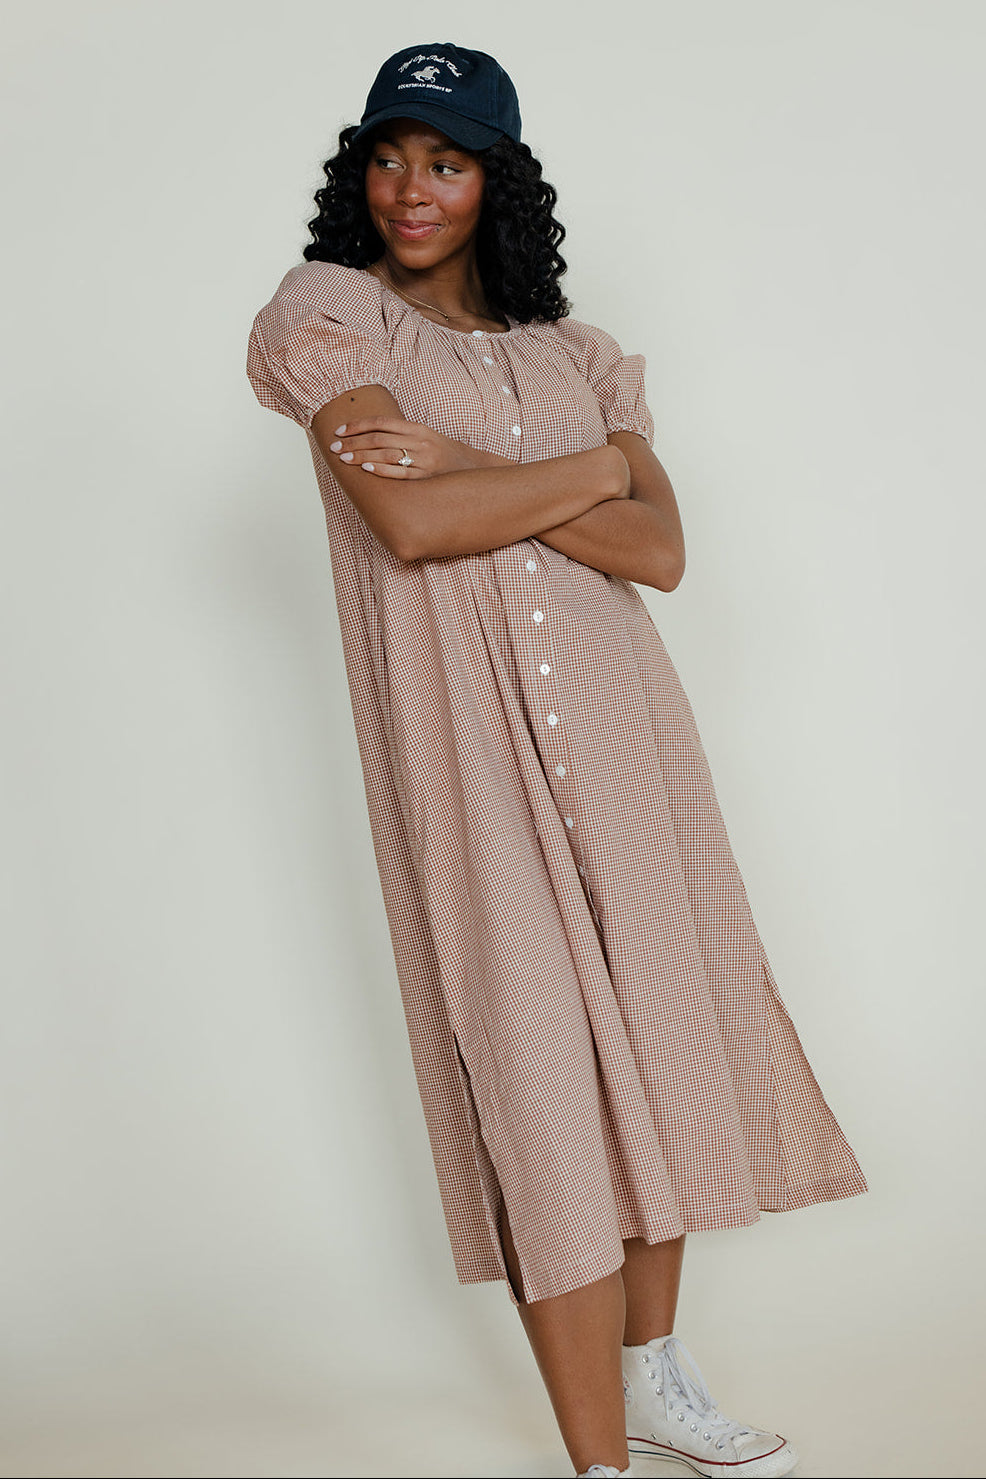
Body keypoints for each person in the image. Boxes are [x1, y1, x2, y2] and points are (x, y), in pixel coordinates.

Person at [246, 42, 867, 1479]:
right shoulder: (328, 318)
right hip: (465, 752)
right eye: (390, 157)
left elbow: (660, 554)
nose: (411, 188)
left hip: (628, 732)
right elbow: (405, 527)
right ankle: (595, 1465)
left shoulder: (576, 355)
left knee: (658, 1033)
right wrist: (596, 471)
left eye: (447, 161)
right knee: (537, 1064)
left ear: (495, 181)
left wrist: (504, 478)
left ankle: (657, 1380)